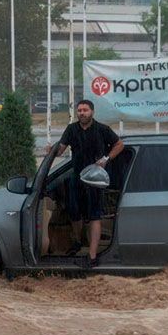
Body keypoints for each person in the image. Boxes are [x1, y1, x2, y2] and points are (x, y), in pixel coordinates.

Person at [46, 99, 124, 268]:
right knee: (75, 213)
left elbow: (119, 145)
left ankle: (92, 256)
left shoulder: (102, 129)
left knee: (94, 216)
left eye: (85, 110)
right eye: (79, 110)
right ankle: (78, 242)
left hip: (95, 180)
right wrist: (52, 150)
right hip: (76, 178)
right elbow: (61, 149)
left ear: (92, 112)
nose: (82, 113)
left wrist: (106, 159)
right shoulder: (71, 129)